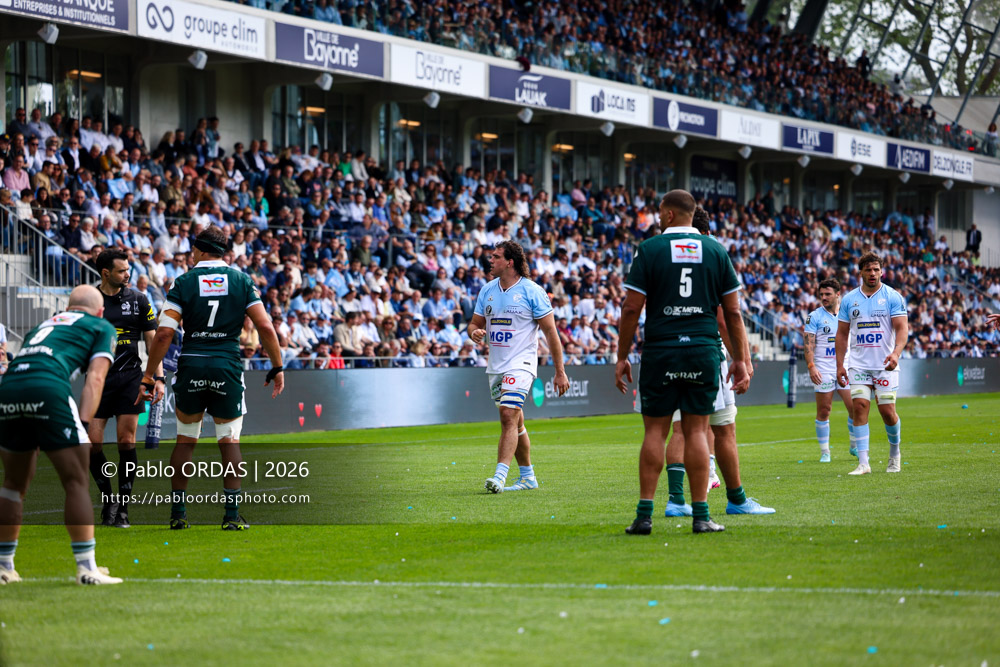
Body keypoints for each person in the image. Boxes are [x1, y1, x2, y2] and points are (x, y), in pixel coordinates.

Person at [615, 190, 749, 535]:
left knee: (655, 432)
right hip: (703, 350)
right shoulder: (717, 250)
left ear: (670, 214)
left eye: (660, 213)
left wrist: (621, 356)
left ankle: (644, 515)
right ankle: (701, 515)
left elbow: (631, 308)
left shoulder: (649, 249)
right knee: (696, 431)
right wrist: (739, 359)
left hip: (661, 350)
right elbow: (732, 311)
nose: (658, 218)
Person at [136, 226, 285, 530]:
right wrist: (277, 366)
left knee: (185, 440)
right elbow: (266, 328)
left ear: (200, 250)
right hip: (226, 365)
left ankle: (178, 514)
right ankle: (231, 516)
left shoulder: (184, 281)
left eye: (193, 249)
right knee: (229, 440)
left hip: (191, 364)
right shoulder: (241, 280)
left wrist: (149, 375)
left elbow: (164, 333)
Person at [0, 285, 123, 585]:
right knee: (76, 479)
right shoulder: (101, 325)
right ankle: (87, 568)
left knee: (13, 485)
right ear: (100, 310)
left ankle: (4, 566)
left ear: (68, 307)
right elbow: (96, 378)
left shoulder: (45, 324)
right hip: (48, 387)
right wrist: (82, 422)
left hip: (8, 387)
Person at [467, 240, 569, 493]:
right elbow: (473, 324)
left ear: (510, 262)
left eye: (496, 256)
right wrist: (475, 333)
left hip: (521, 363)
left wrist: (560, 371)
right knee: (517, 422)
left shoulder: (532, 291)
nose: (490, 260)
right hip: (496, 366)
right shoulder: (487, 290)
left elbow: (551, 333)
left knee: (507, 415)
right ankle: (528, 477)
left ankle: (499, 476)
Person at [87, 249, 164, 527]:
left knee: (126, 441)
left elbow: (154, 340)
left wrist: (159, 377)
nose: (128, 274)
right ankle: (108, 499)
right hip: (98, 380)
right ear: (106, 273)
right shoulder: (89, 302)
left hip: (131, 378)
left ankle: (123, 509)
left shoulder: (140, 299)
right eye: (122, 271)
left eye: (128, 269)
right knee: (92, 445)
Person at [835, 252, 908, 476]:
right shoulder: (849, 300)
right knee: (859, 408)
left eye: (876, 269)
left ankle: (895, 454)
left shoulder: (893, 297)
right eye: (868, 270)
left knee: (887, 411)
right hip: (858, 364)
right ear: (861, 272)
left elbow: (902, 328)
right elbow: (841, 334)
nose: (873, 273)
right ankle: (864, 463)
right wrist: (840, 365)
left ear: (882, 271)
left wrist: (896, 353)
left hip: (885, 364)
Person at [803, 278, 856, 462]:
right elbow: (808, 344)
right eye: (821, 294)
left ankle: (854, 445)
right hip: (823, 368)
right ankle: (825, 452)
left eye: (828, 294)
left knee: (855, 407)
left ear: (837, 294)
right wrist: (811, 366)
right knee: (825, 410)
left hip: (845, 366)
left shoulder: (847, 313)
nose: (824, 297)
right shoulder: (814, 316)